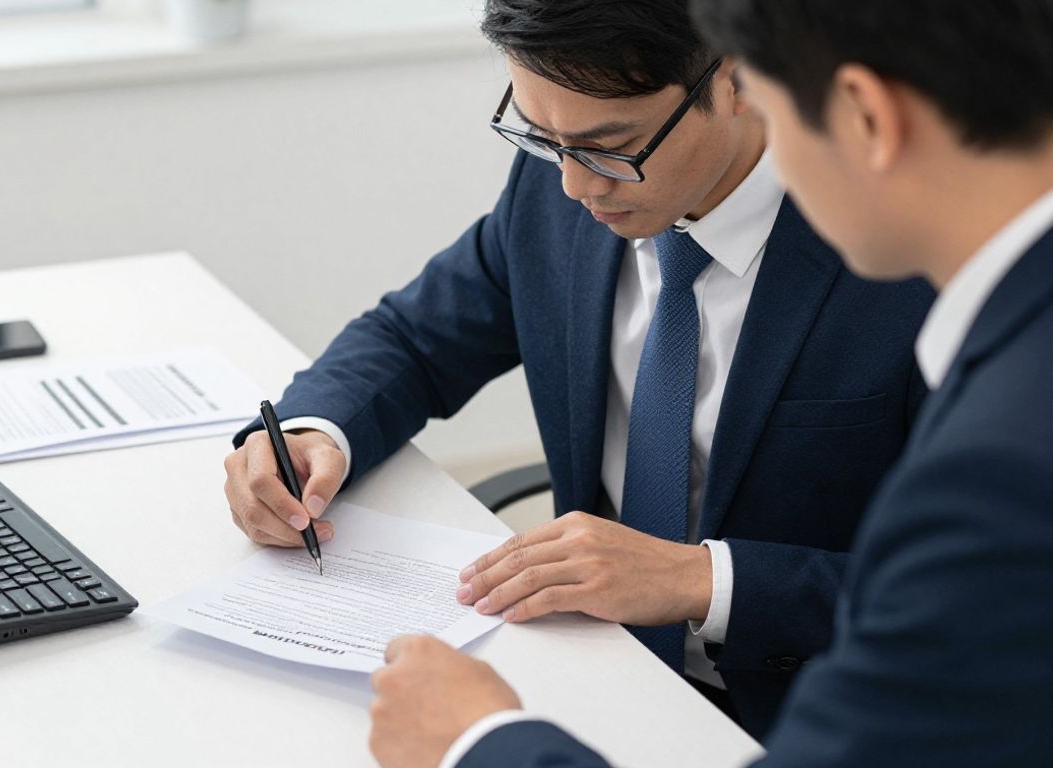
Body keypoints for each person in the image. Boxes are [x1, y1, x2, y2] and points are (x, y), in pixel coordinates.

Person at [366, 0, 1053, 765]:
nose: (571, 182)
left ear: (862, 113)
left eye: (774, 103)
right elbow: (418, 332)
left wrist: (477, 743)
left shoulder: (1006, 457)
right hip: (603, 673)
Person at [224, 0, 933, 736]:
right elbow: (415, 336)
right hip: (585, 670)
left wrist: (698, 579)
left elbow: (985, 591)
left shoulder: (906, 254)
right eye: (541, 136)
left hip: (816, 718)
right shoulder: (562, 187)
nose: (573, 184)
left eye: (610, 145)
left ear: (738, 75)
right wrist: (312, 434)